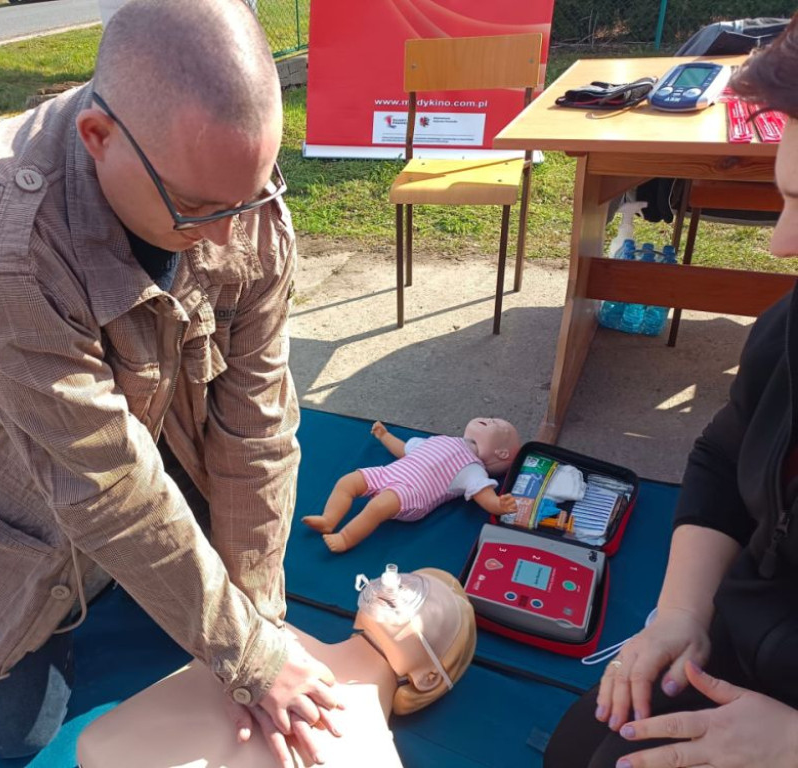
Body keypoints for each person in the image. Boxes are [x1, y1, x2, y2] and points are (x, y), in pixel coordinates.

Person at [0, 1, 341, 764]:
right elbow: (101, 482)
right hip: (14, 496)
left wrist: (257, 629)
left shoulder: (241, 201)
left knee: (221, 629)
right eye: (196, 208)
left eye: (248, 197)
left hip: (147, 431)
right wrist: (252, 661)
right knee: (19, 738)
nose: (229, 235)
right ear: (97, 139)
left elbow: (259, 426)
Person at [544, 14, 798, 768]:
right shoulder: (788, 330)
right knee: (586, 750)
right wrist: (681, 613)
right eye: (787, 196)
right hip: (753, 642)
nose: (781, 242)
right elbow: (724, 459)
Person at [76, 566, 477, 768]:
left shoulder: (372, 756)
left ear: (428, 679)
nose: (402, 588)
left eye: (430, 604)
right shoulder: (255, 629)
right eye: (409, 579)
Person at [301, 418, 520, 552]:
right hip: (390, 473)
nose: (491, 420)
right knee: (347, 482)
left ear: (501, 453)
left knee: (378, 506)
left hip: (412, 494)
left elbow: (484, 495)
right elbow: (405, 449)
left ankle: (346, 537)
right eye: (492, 418)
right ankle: (329, 519)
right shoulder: (442, 440)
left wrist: (499, 505)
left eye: (498, 426)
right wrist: (385, 436)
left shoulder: (473, 468)